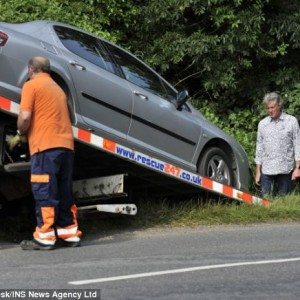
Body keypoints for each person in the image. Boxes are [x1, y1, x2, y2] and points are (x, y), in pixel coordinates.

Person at [10, 56, 82, 250]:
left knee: (44, 190)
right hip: (66, 147)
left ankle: (45, 235)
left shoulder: (31, 86)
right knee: (64, 190)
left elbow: (25, 117)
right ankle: (69, 232)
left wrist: (19, 133)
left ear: (31, 70)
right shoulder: (58, 89)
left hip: (45, 147)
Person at [255, 92, 300, 197]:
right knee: (265, 202)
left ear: (279, 106)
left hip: (285, 170)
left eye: (272, 107)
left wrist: (298, 168)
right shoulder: (262, 124)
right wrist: (258, 171)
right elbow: (259, 148)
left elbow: (298, 144)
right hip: (266, 171)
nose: (270, 110)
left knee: (284, 203)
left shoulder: (291, 121)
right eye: (268, 108)